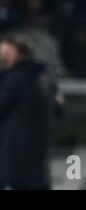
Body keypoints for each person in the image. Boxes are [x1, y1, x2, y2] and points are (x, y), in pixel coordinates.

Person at [0, 35, 54, 190]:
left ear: (18, 54)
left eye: (6, 53)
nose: (3, 57)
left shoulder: (15, 80)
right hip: (36, 160)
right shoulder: (40, 77)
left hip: (15, 161)